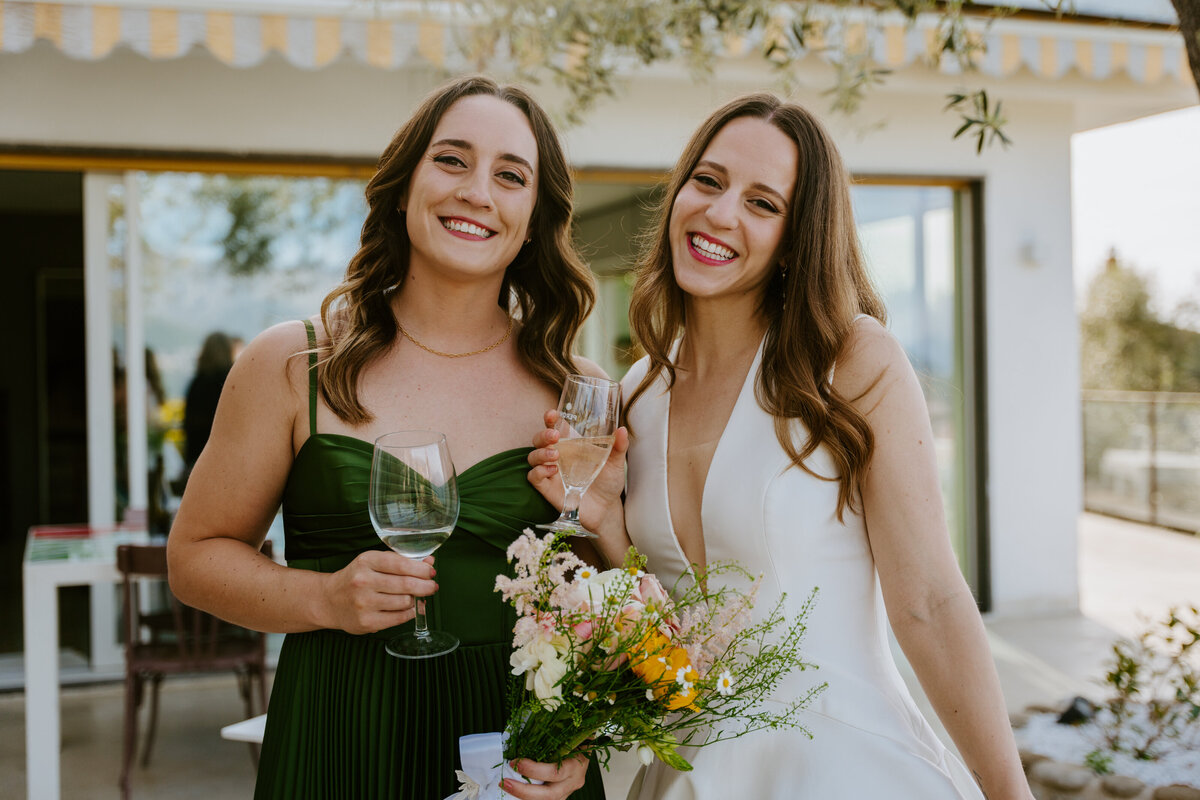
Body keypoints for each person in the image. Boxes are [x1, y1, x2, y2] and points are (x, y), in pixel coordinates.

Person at [528, 94, 1035, 799]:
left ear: (799, 238)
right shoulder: (637, 392)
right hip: (682, 774)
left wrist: (1010, 793)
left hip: (838, 767)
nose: (721, 212)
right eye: (708, 181)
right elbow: (665, 631)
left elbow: (931, 603)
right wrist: (607, 525)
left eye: (763, 203)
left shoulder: (853, 363)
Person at [167, 76, 606, 800]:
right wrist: (325, 600)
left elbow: (603, 599)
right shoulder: (291, 363)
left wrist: (583, 737)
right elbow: (194, 559)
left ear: (534, 218)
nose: (476, 191)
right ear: (403, 188)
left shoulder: (576, 388)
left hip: (514, 759)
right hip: (344, 735)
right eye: (452, 160)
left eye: (510, 175)